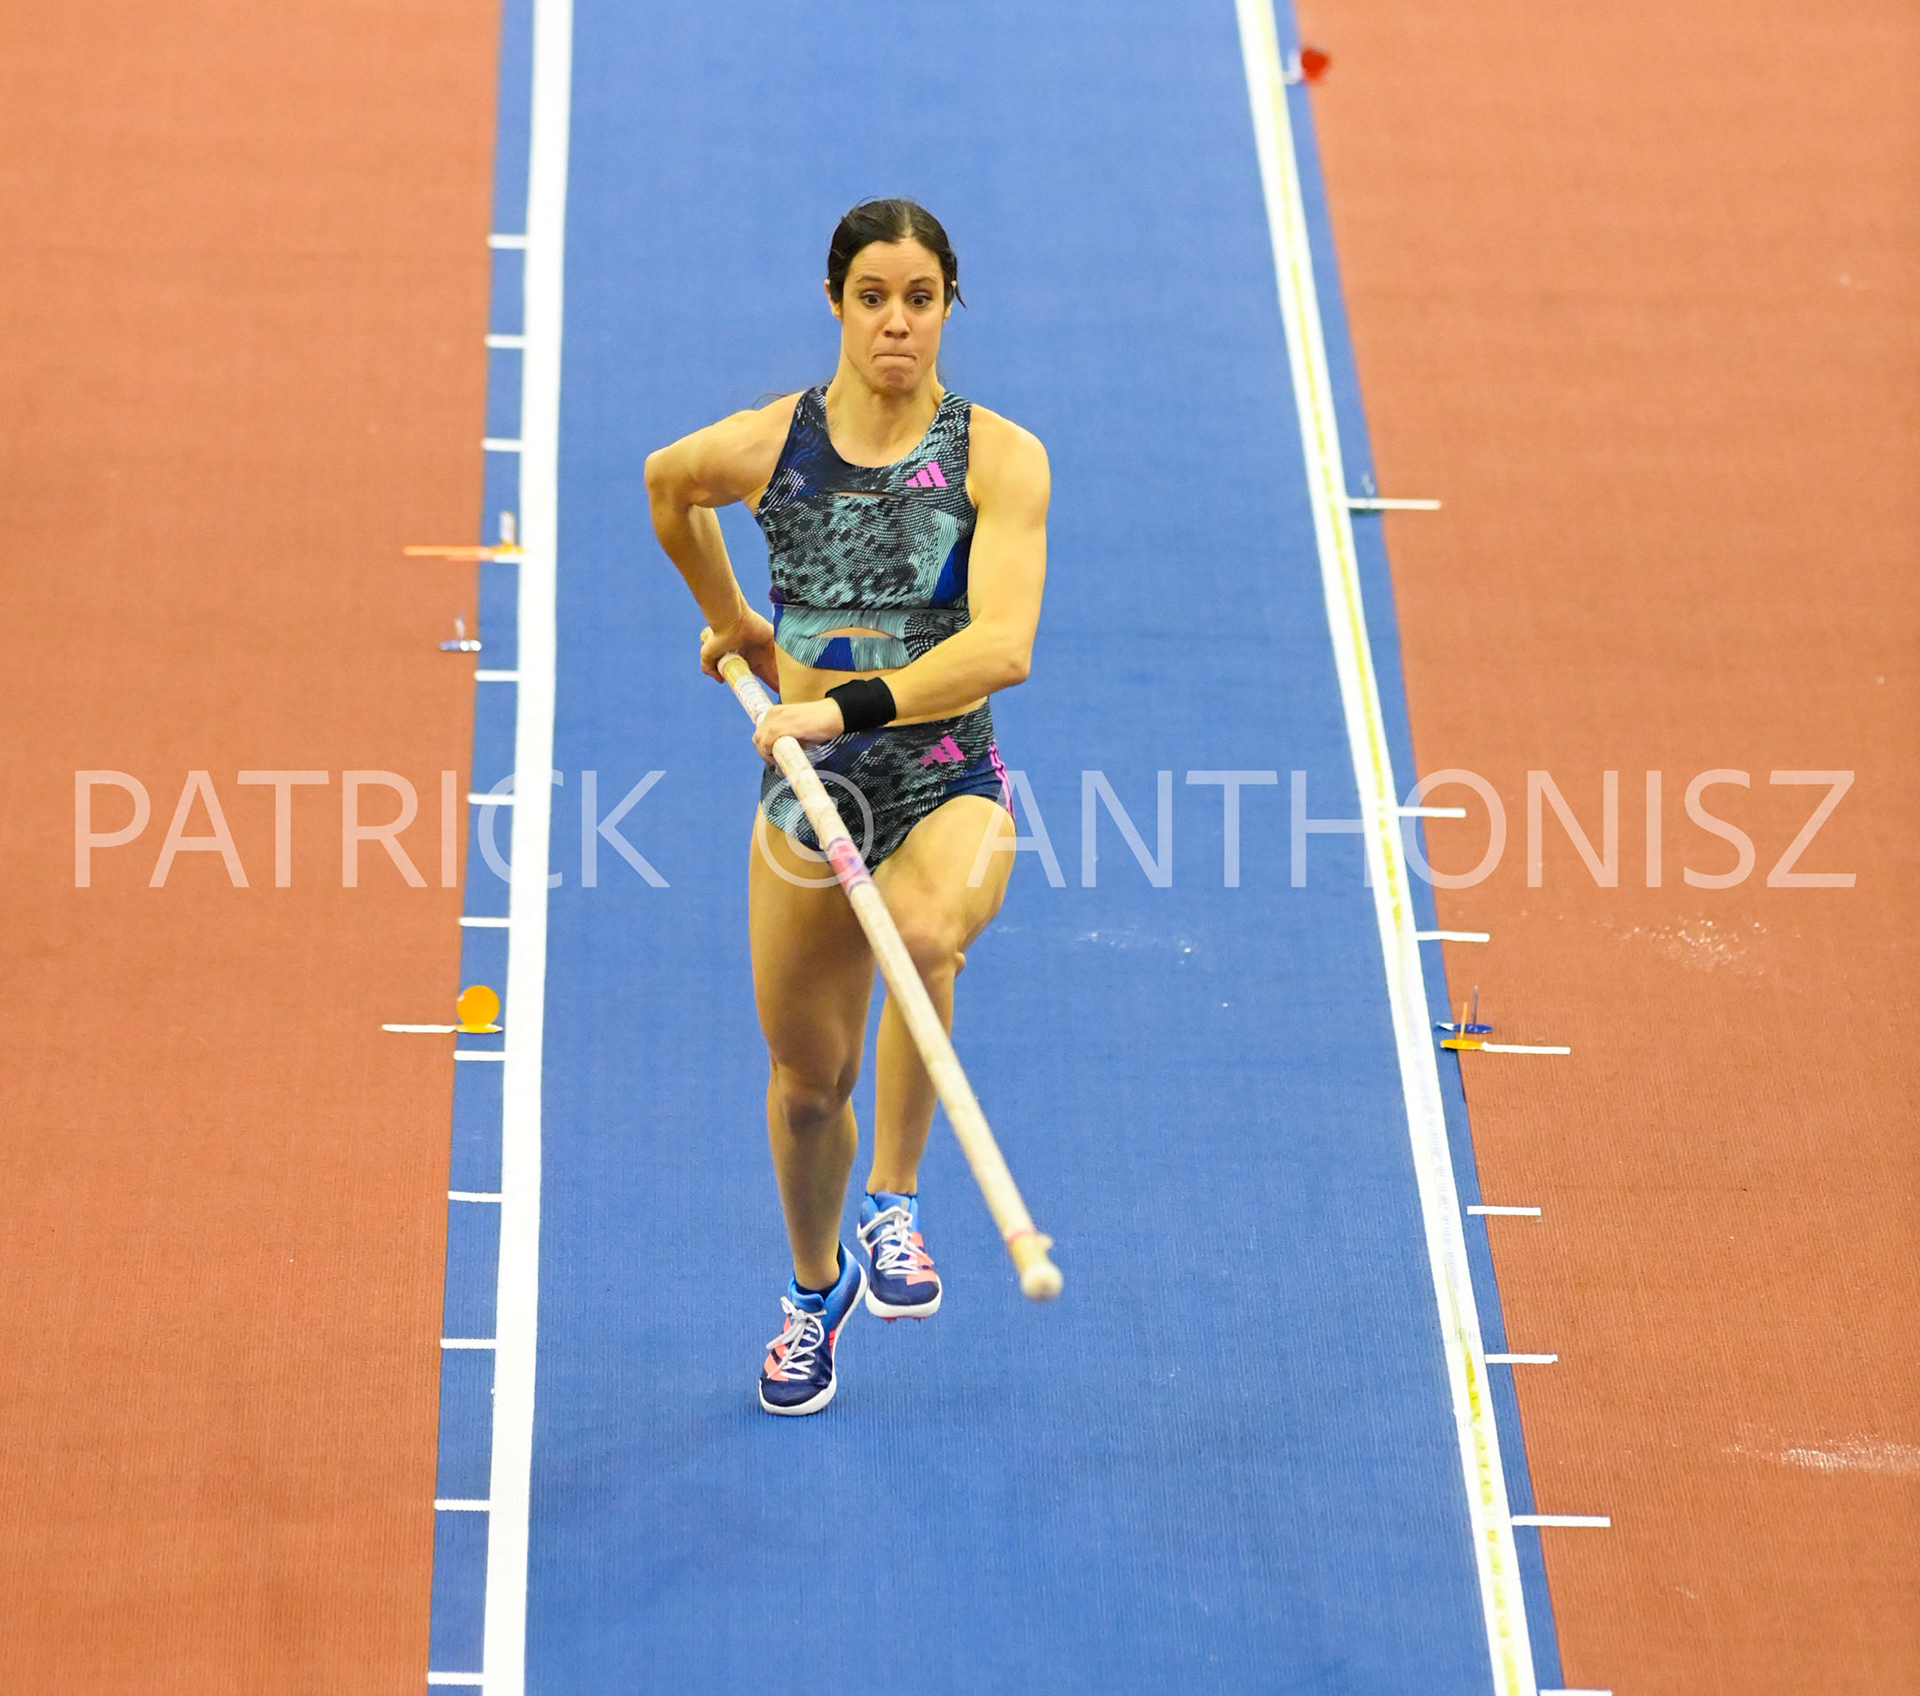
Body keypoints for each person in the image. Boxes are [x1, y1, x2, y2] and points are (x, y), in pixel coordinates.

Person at [644, 198, 1049, 1415]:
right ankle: (813, 1289)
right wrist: (734, 627)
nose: (897, 323)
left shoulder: (996, 457)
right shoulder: (775, 444)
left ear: (946, 309)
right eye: (873, 296)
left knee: (927, 936)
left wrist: (838, 706)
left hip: (941, 780)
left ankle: (897, 1204)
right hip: (809, 802)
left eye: (920, 298)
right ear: (836, 303)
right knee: (807, 1079)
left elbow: (1004, 648)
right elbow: (670, 486)